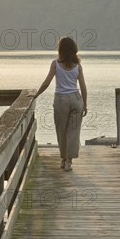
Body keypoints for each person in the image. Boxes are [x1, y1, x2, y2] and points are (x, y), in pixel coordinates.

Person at [33, 37, 87, 171]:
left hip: (61, 100)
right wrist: (85, 104)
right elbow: (83, 87)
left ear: (60, 49)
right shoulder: (78, 66)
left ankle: (64, 159)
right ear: (74, 49)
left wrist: (36, 94)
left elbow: (46, 82)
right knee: (73, 132)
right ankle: (69, 161)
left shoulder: (55, 64)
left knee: (61, 131)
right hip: (76, 99)